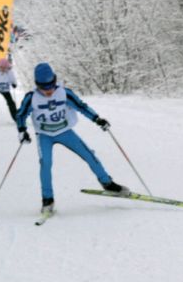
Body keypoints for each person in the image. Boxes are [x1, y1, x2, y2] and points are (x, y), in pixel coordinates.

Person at [15, 62, 128, 216]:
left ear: (55, 81)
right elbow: (20, 114)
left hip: (65, 131)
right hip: (44, 135)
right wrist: (22, 130)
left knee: (89, 155)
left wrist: (97, 119)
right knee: (45, 164)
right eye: (44, 87)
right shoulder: (31, 98)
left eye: (51, 86)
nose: (48, 91)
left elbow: (81, 106)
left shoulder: (64, 93)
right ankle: (47, 200)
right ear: (37, 85)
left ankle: (107, 183)